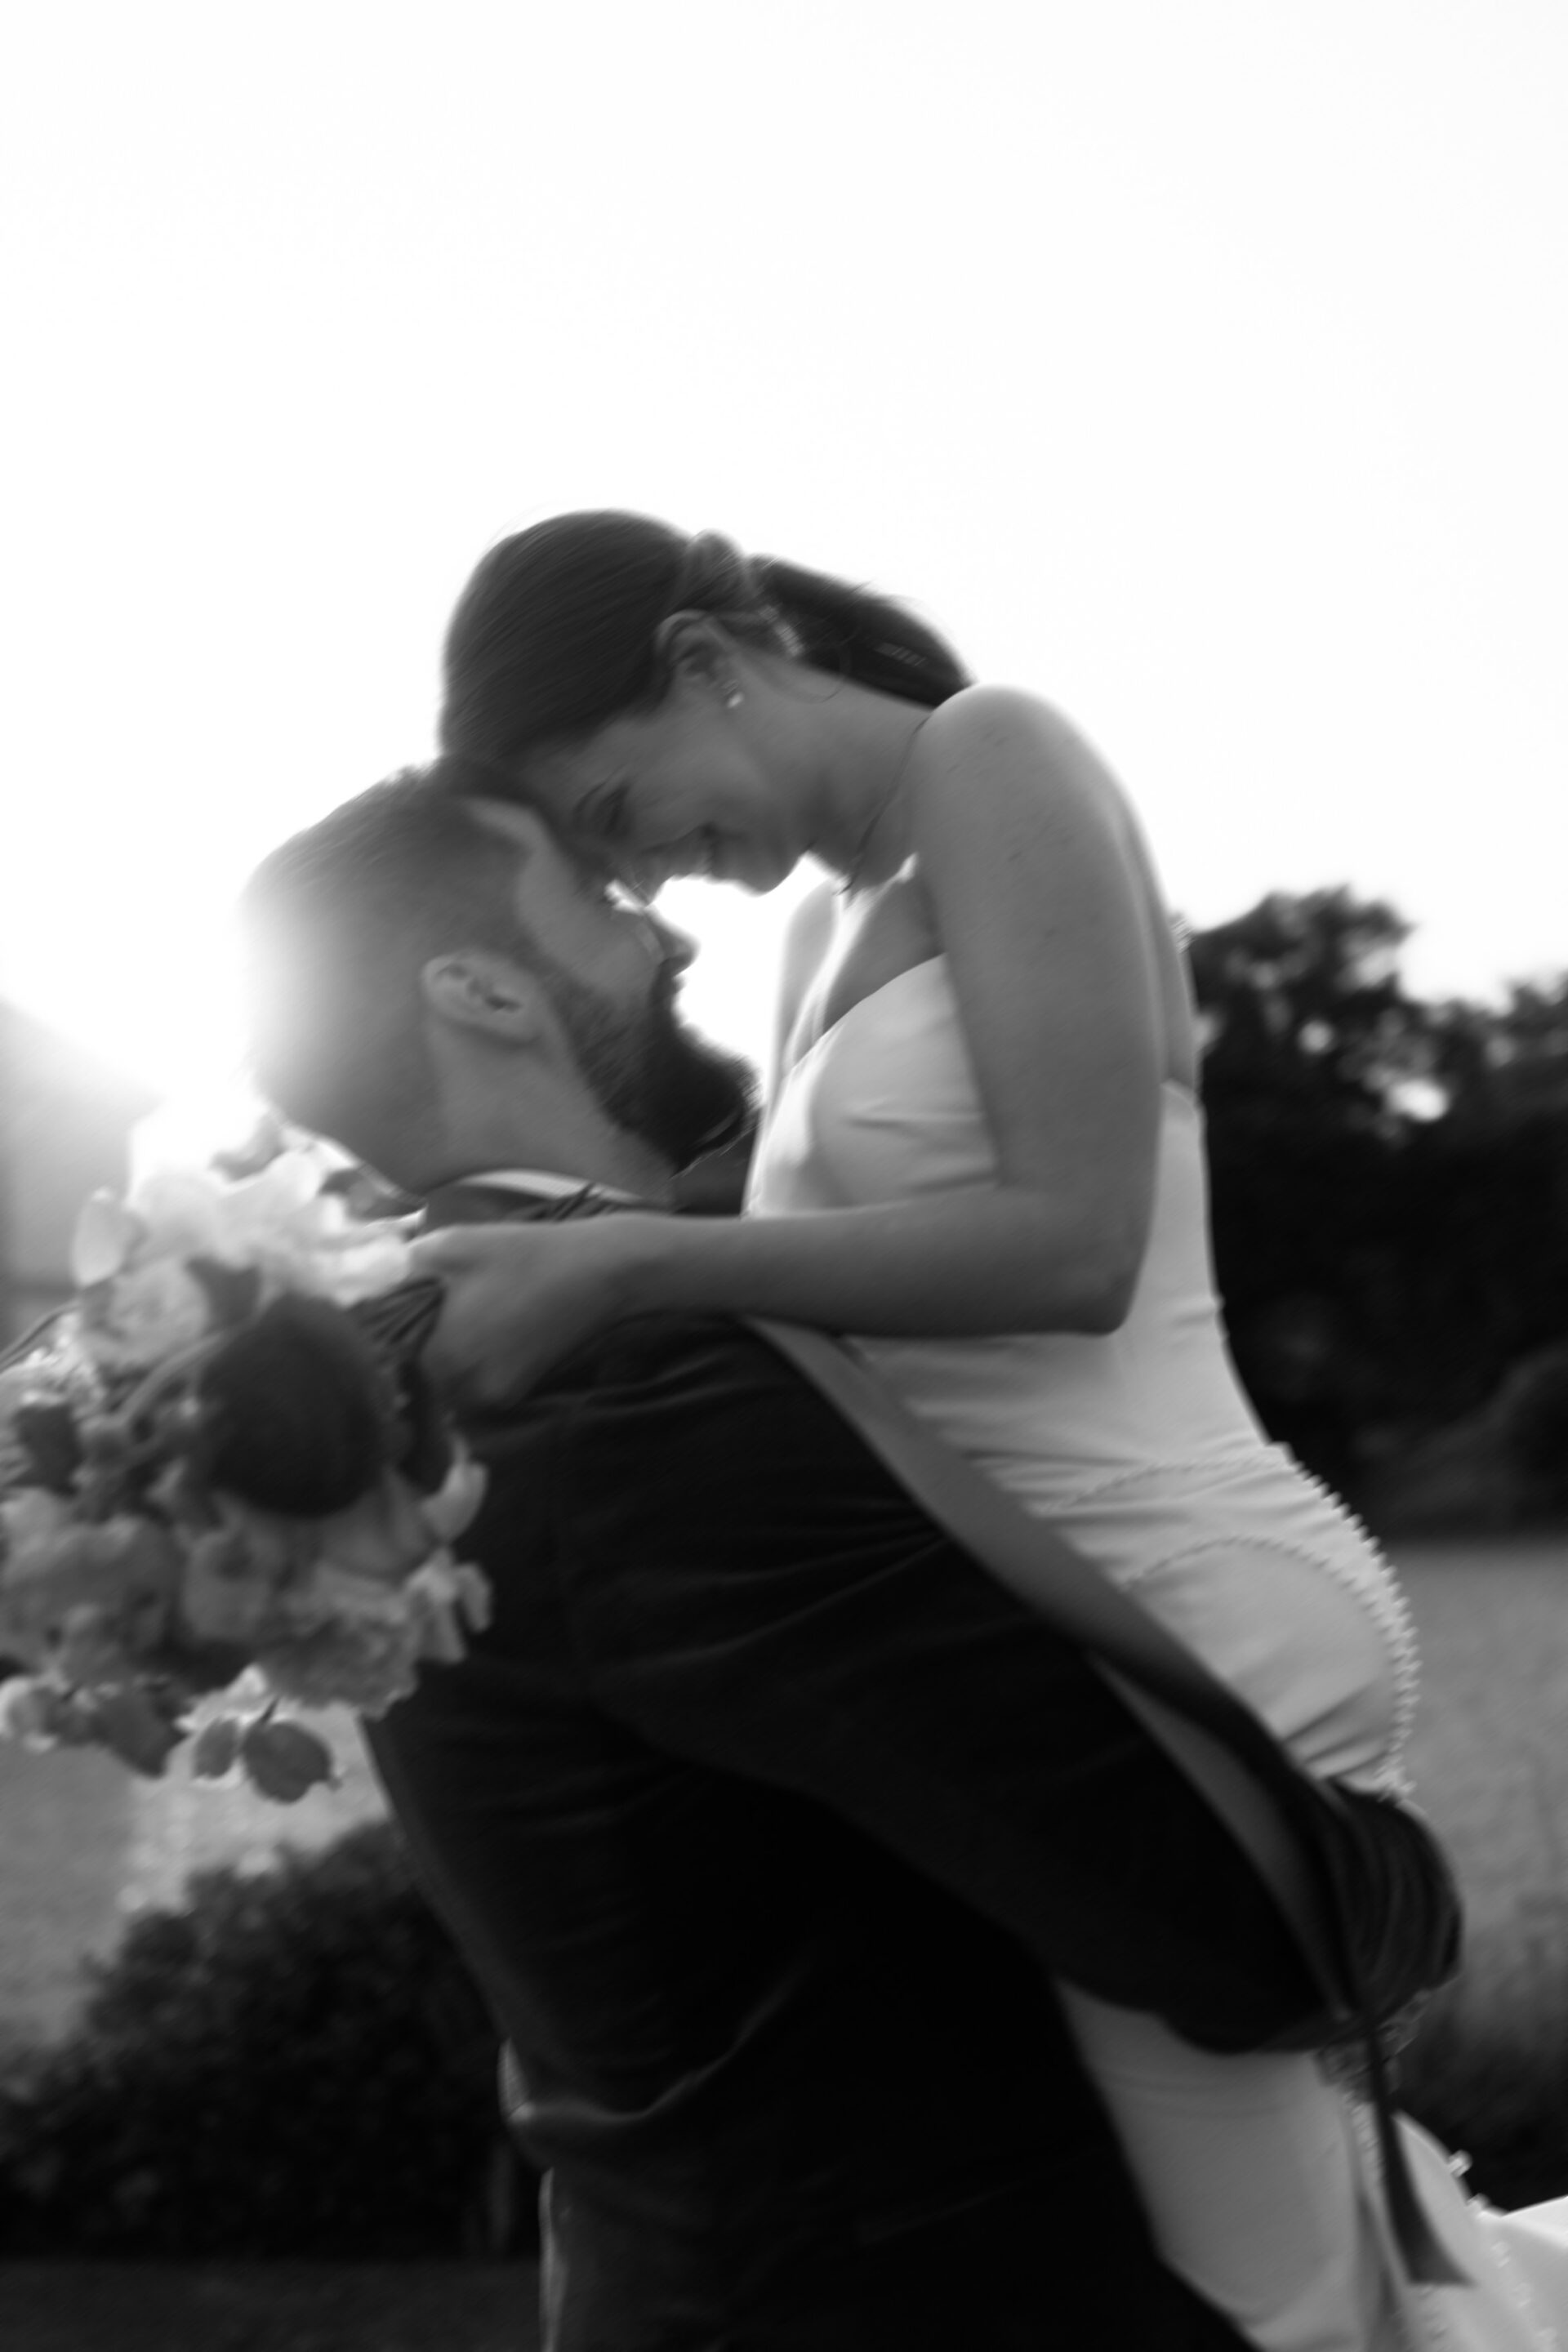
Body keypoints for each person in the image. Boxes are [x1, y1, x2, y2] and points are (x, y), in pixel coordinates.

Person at [416, 510, 1568, 2348]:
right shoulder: (820, 931)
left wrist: (634, 1268)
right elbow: (786, 1257)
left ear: (707, 659)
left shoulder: (996, 756)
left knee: (1271, 2299)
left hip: (1185, 1597)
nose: (671, 876)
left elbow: (1075, 1242)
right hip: (1043, 1631)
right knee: (1260, 2255)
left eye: (633, 809)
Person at [238, 772, 1447, 2350]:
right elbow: (1228, 1931)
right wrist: (1401, 1891)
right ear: (479, 992)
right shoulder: (631, 1398)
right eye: (595, 904)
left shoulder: (417, 1393)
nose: (659, 937)